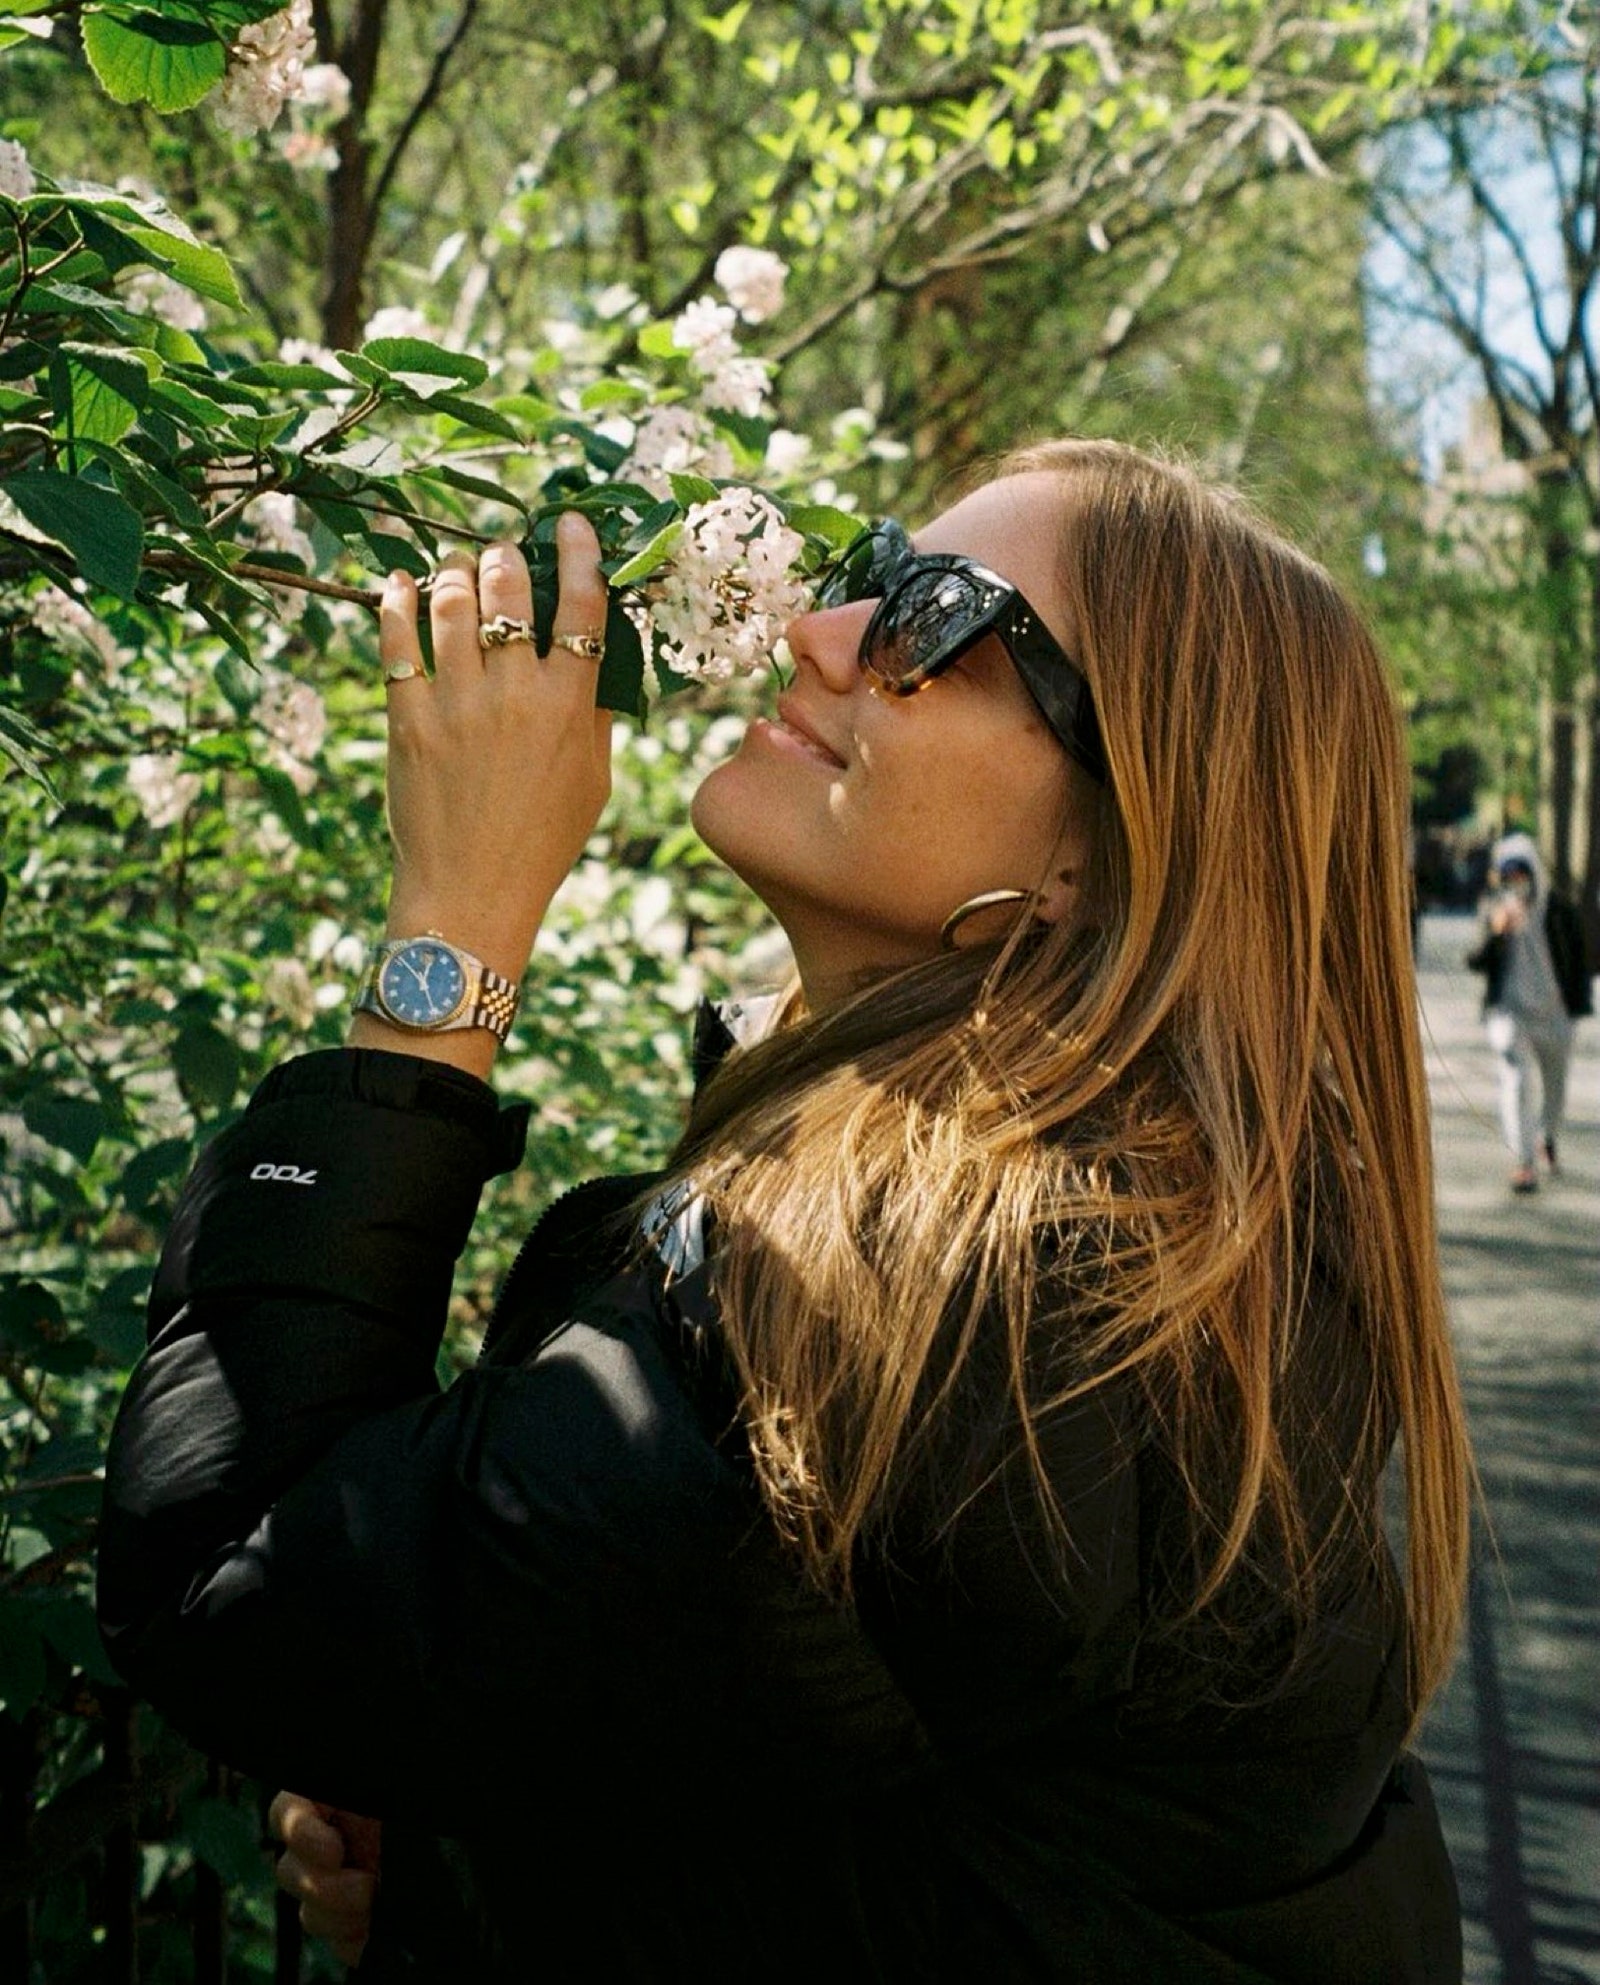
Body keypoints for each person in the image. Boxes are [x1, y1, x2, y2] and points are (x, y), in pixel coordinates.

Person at [97, 440, 1472, 1982]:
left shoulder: (943, 1307)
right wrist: (489, 1870)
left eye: (939, 620)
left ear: (1103, 854)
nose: (820, 633)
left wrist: (452, 935)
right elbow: (942, 1848)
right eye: (867, 572)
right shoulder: (1192, 1267)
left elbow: (228, 1582)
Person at [1467, 830, 1592, 1193]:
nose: (1516, 883)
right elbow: (1475, 961)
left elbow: (1579, 961)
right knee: (1516, 1081)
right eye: (1508, 876)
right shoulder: (1494, 908)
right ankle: (1523, 1160)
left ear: (1535, 874)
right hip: (1511, 1013)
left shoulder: (1559, 909)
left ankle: (1546, 1136)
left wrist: (1576, 1007)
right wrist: (1496, 932)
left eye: (1522, 875)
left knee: (1555, 1087)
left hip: (1554, 1014)